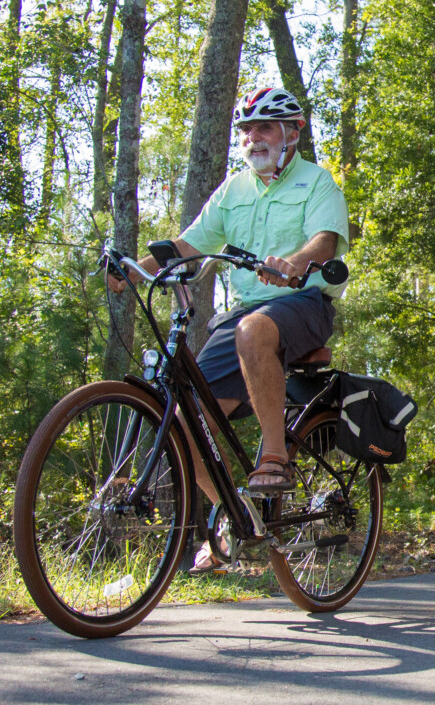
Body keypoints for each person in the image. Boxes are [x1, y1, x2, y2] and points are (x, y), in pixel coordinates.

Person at [107, 86, 349, 570]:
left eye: (264, 128)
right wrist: (136, 269)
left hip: (303, 302)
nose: (253, 138)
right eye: (247, 130)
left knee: (253, 330)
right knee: (179, 417)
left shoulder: (317, 183)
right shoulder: (234, 189)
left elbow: (326, 240)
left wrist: (297, 261)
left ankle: (274, 457)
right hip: (246, 312)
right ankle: (232, 511)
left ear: (292, 132)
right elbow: (191, 242)